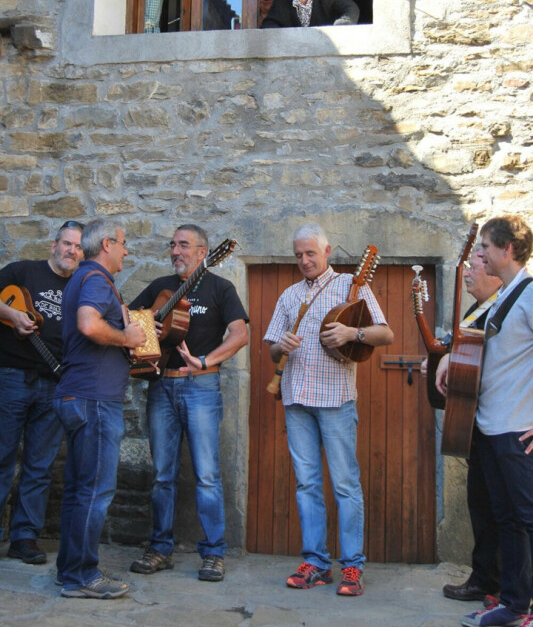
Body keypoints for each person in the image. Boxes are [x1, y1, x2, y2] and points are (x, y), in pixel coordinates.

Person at [263, 223, 393, 596]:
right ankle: (317, 563)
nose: (304, 260)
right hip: (296, 400)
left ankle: (352, 566)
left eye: (310, 253)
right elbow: (271, 348)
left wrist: (354, 334)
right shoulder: (289, 295)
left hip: (336, 400)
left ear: (326, 251)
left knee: (345, 484)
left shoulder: (352, 286)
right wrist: (281, 346)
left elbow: (385, 333)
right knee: (307, 484)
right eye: (298, 255)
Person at [129, 224, 249, 582]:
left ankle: (213, 553)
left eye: (183, 245)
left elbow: (241, 334)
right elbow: (131, 318)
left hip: (201, 386)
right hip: (161, 386)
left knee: (207, 475)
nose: (175, 251)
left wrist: (206, 361)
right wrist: (146, 337)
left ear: (203, 253)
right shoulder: (160, 287)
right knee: (162, 475)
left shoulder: (220, 288)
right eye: (172, 245)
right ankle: (159, 548)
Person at [437, 216, 533, 627]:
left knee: (525, 521)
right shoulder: (504, 296)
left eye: (486, 247)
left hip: (516, 430)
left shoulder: (530, 294)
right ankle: (512, 605)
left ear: (507, 249)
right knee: (507, 521)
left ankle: (521, 607)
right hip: (492, 426)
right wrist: (448, 357)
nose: (480, 255)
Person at [54, 218, 146, 599]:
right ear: (107, 244)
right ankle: (82, 576)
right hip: (93, 400)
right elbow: (89, 325)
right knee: (95, 491)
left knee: (80, 489)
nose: (126, 250)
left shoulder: (83, 278)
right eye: (123, 243)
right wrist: (126, 336)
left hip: (79, 396)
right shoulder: (95, 279)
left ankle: (69, 570)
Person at [0, 220, 84, 565]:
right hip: (12, 378)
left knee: (39, 465)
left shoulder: (81, 286)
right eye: (67, 243)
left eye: (78, 247)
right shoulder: (22, 271)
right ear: (54, 245)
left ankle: (24, 537)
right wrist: (13, 315)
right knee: (2, 457)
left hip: (54, 383)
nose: (71, 251)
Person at [430, 251, 502, 603]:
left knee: (503, 511)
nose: (467, 275)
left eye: (473, 268)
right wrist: (445, 358)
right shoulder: (476, 310)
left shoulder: (504, 309)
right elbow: (463, 350)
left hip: (502, 423)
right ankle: (484, 578)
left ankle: (506, 587)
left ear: (495, 272)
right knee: (481, 505)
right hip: (477, 423)